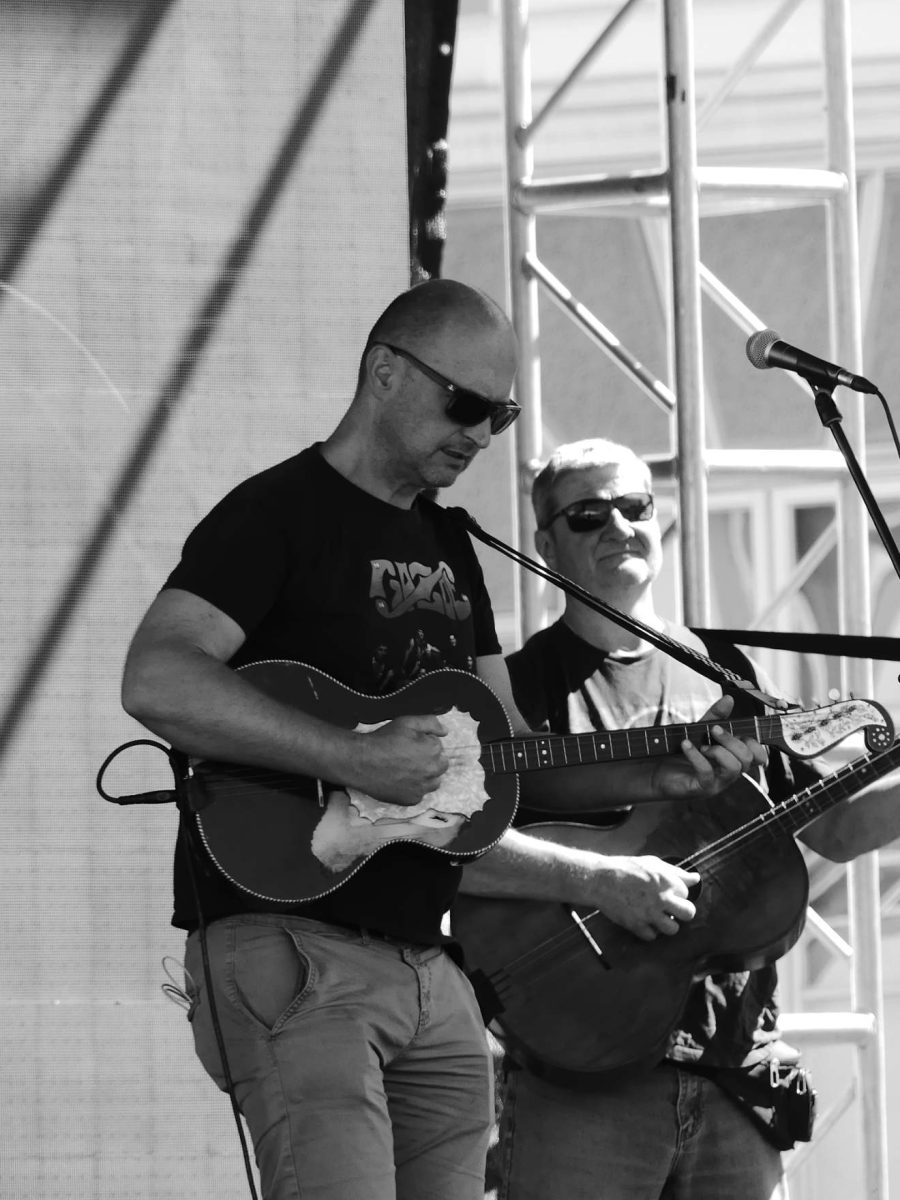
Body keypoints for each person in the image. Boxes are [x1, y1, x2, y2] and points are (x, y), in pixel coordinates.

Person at [121, 286, 765, 1200]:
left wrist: (659, 774)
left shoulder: (453, 545)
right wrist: (351, 756)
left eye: (501, 416)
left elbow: (509, 762)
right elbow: (156, 677)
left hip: (428, 963)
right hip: (294, 944)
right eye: (466, 405)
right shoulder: (276, 513)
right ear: (386, 372)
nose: (481, 435)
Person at [458, 436, 900, 1200]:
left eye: (636, 507)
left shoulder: (724, 672)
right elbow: (470, 845)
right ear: (545, 543)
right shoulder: (517, 689)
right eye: (589, 514)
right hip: (579, 1057)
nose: (619, 527)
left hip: (732, 1057)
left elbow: (832, 828)